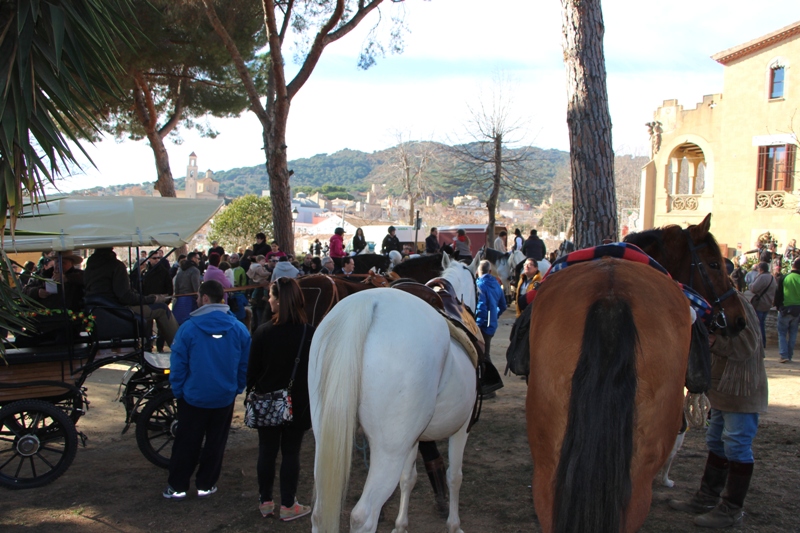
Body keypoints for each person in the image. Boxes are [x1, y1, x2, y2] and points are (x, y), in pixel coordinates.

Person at [668, 292, 767, 528]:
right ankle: (707, 498)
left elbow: (747, 346)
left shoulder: (736, 305)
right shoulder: (716, 305)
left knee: (736, 444)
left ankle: (732, 509)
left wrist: (714, 342)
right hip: (722, 388)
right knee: (716, 441)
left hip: (741, 388)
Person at [163, 280, 251, 500]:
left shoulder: (188, 328)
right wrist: (237, 387)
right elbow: (244, 364)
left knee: (186, 443)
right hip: (224, 396)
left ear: (204, 298)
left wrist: (178, 390)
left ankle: (178, 486)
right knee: (215, 443)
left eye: (197, 297)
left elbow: (178, 364)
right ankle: (206, 484)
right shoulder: (239, 328)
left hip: (193, 396)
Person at [247, 278, 315, 521]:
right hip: (298, 403)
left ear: (280, 300)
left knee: (266, 451)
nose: (268, 300)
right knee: (291, 453)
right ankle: (288, 504)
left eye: (271, 296)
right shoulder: (310, 333)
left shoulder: (263, 332)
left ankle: (265, 501)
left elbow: (251, 372)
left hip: (266, 401)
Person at [83, 247, 178, 346]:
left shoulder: (90, 267)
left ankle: (148, 343)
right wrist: (152, 299)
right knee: (162, 309)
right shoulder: (116, 266)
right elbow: (125, 296)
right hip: (118, 310)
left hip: (104, 308)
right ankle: (180, 348)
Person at [475, 260, 507, 388]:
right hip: (491, 324)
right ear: (490, 271)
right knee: (485, 354)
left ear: (478, 271)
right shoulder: (497, 285)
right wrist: (494, 316)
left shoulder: (479, 285)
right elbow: (503, 306)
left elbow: (481, 307)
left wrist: (477, 324)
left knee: (483, 356)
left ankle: (489, 386)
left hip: (482, 326)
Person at [746, 262, 777, 349]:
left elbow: (753, 288)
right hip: (768, 303)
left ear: (761, 269)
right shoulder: (772, 277)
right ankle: (763, 342)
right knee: (762, 323)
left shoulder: (762, 277)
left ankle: (760, 342)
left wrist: (750, 285)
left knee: (758, 324)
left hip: (760, 303)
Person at [775, 257, 800, 363]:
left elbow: (778, 293)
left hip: (785, 308)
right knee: (793, 333)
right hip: (798, 310)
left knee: (782, 333)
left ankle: (784, 355)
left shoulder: (785, 277)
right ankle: (789, 355)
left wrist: (777, 306)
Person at [173, 252, 202, 325]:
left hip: (180, 300)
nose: (199, 261)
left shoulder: (180, 271)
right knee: (190, 323)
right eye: (198, 259)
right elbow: (196, 288)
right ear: (193, 259)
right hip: (190, 301)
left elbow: (176, 287)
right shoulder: (195, 270)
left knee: (178, 323)